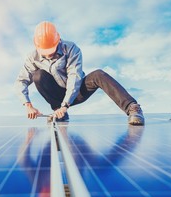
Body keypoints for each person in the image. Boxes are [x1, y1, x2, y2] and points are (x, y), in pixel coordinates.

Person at [14, 21, 145, 125]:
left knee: (99, 74)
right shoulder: (32, 57)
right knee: (38, 76)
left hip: (78, 91)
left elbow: (74, 77)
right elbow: (21, 81)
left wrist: (65, 105)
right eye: (45, 51)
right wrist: (28, 105)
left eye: (51, 50)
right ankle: (59, 113)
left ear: (58, 40)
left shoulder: (71, 49)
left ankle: (132, 108)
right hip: (57, 96)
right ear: (36, 45)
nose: (48, 54)